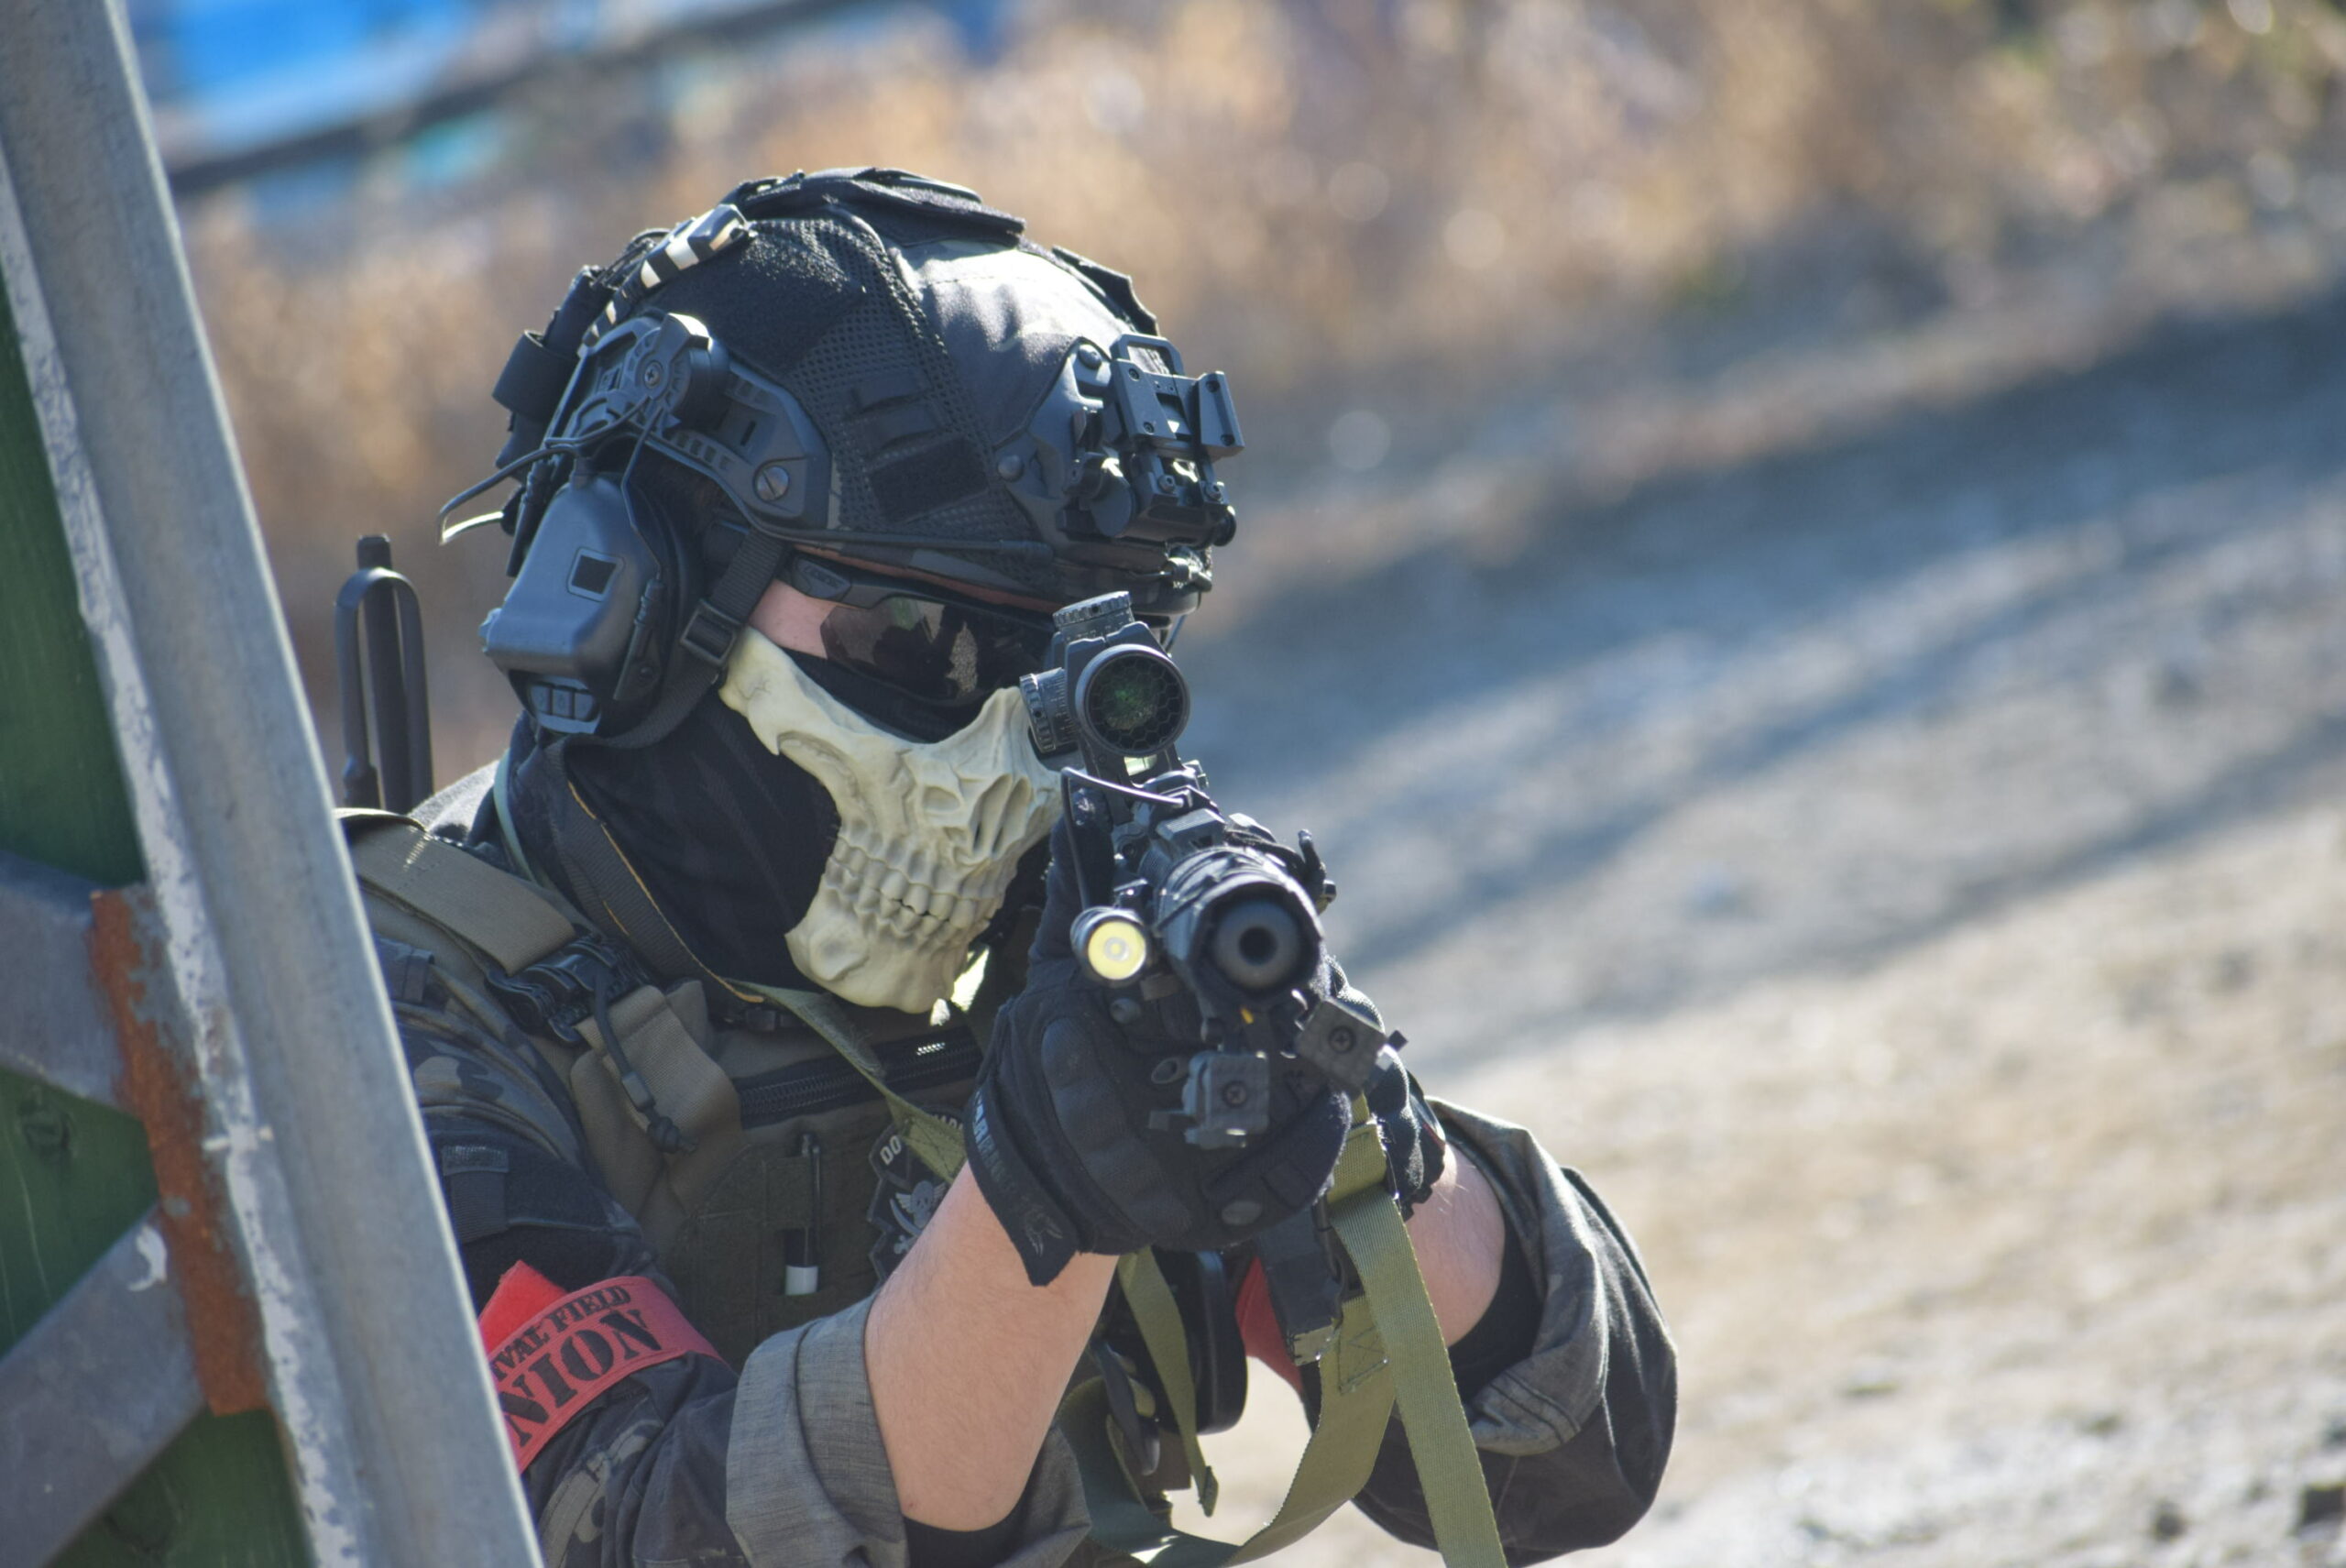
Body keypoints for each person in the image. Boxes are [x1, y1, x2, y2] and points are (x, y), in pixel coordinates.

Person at [357, 167, 1674, 1567]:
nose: (1004, 753)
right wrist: (1043, 1198)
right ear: (631, 589)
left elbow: (1565, 1464)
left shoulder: (1059, 928)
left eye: (1068, 672)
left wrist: (1351, 1128)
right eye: (915, 643)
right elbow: (642, 1534)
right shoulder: (400, 1029)